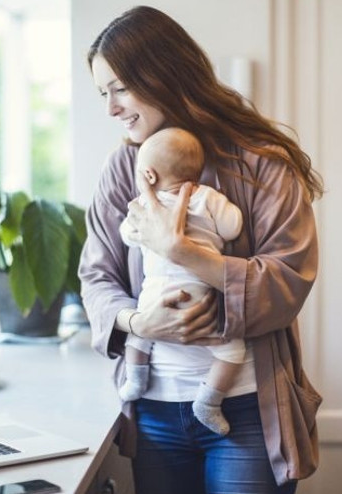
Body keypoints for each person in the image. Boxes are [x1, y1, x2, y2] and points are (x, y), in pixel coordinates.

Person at [79, 6, 324, 494]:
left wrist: (182, 251)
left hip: (248, 412)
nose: (111, 109)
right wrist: (139, 323)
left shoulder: (261, 164)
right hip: (153, 410)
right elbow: (96, 276)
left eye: (120, 89)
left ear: (162, 75)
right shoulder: (123, 169)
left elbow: (288, 280)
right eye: (103, 93)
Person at [118, 127, 245, 437]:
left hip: (155, 295)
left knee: (139, 331)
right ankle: (209, 402)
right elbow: (233, 227)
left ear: (148, 174)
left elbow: (128, 235)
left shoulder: (144, 205)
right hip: (200, 294)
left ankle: (135, 379)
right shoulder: (208, 197)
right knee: (233, 351)